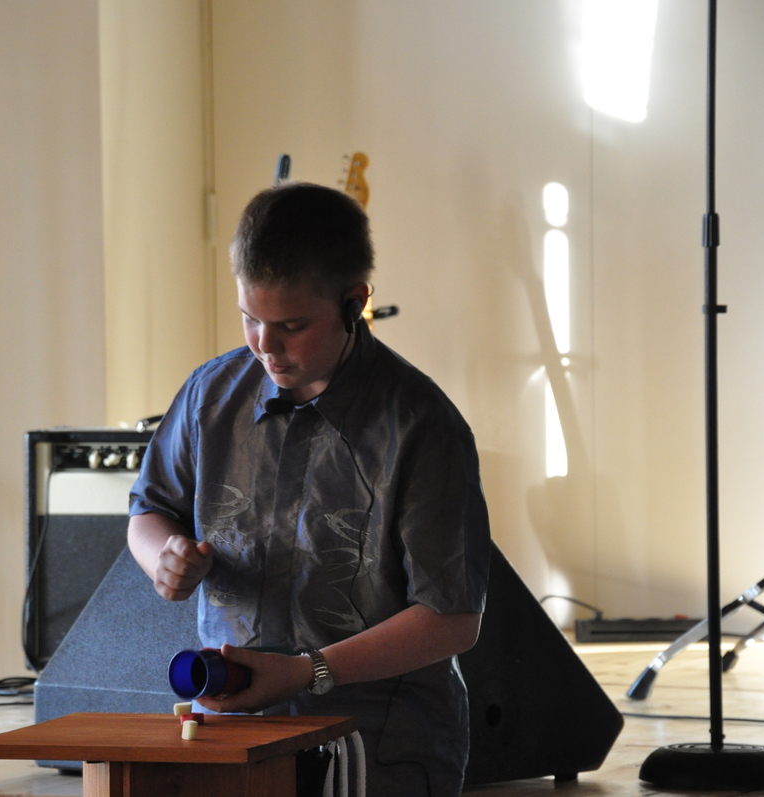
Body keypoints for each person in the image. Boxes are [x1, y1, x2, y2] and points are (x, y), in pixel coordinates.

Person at [128, 181, 491, 797]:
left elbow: (452, 618)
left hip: (381, 752)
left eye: (292, 326)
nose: (265, 347)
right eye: (250, 319)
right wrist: (162, 555)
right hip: (235, 740)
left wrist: (307, 672)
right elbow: (150, 509)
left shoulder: (422, 425)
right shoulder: (209, 395)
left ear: (355, 303)